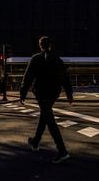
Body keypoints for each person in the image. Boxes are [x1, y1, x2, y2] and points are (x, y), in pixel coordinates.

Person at [20, 36, 74, 164]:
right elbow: (65, 78)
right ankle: (35, 142)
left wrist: (22, 93)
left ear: (40, 45)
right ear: (50, 45)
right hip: (54, 93)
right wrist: (69, 94)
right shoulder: (58, 60)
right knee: (45, 116)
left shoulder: (36, 58)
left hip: (42, 93)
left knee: (49, 120)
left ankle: (62, 150)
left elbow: (28, 77)